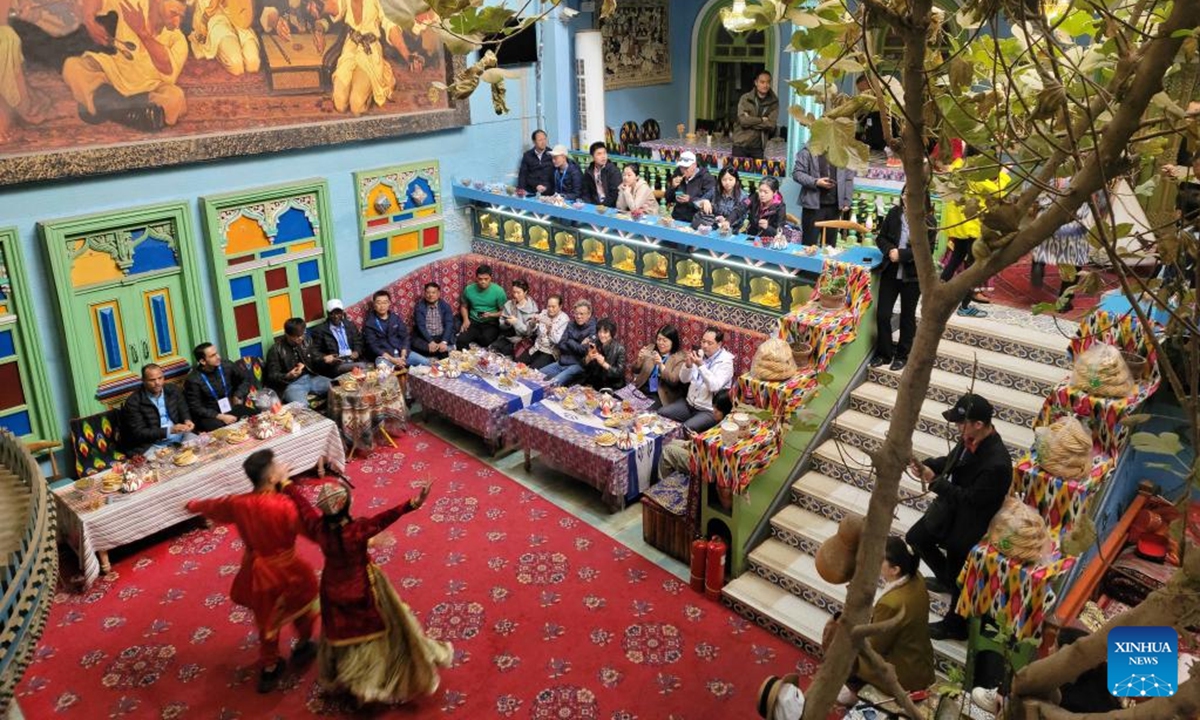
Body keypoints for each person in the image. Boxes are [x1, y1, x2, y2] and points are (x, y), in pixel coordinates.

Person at [280, 479, 452, 705]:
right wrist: (413, 503)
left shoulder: (318, 527)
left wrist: (287, 485)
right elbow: (383, 519)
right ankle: (375, 678)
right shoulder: (357, 530)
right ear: (346, 506)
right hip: (363, 587)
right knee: (383, 628)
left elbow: (303, 508)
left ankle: (351, 676)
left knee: (343, 633)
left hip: (332, 588)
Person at [185, 450, 320, 694]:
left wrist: (193, 505)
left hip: (257, 574)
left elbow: (214, 506)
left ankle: (270, 667)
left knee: (267, 620)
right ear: (271, 478)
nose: (282, 467)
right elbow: (313, 530)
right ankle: (303, 644)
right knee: (303, 607)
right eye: (278, 466)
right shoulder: (286, 506)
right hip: (288, 570)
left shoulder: (239, 503)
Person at [905, 393, 1012, 640]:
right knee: (917, 537)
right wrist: (930, 464)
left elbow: (971, 500)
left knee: (959, 572)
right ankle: (946, 579)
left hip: (973, 522)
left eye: (961, 423)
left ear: (978, 424)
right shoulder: (968, 438)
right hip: (952, 510)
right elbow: (953, 461)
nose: (957, 428)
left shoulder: (997, 464)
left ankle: (956, 624)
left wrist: (935, 481)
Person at [833, 537, 936, 706]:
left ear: (895, 569)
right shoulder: (916, 577)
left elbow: (875, 647)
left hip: (902, 673)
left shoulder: (890, 603)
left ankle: (856, 694)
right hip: (920, 661)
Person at [61, 0, 189, 130]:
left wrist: (143, 34)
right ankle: (134, 114)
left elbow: (168, 71)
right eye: (174, 13)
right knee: (72, 66)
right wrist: (89, 20)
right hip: (115, 76)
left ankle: (103, 105)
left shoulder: (178, 40)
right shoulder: (133, 6)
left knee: (175, 98)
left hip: (149, 89)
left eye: (181, 16)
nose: (177, 22)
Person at [970, 627, 1122, 714]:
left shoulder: (1071, 700)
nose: (1049, 649)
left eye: (1054, 645)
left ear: (1065, 656)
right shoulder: (1097, 682)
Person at [938, 146, 1010, 317]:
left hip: (958, 226)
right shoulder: (974, 172)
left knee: (955, 260)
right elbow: (996, 191)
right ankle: (964, 306)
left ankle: (939, 295)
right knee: (973, 268)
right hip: (972, 226)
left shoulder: (957, 166)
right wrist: (1004, 174)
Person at [871, 191, 933, 371]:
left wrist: (902, 255)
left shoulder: (928, 221)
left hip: (912, 277)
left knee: (907, 316)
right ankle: (884, 353)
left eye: (910, 192)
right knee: (883, 314)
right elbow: (880, 237)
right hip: (890, 272)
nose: (906, 196)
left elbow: (925, 251)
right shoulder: (894, 213)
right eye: (905, 193)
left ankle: (902, 355)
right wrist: (890, 250)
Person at [1031, 179, 1094, 311]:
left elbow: (1040, 200)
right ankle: (1064, 301)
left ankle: (1038, 263)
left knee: (1042, 245)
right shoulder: (1089, 180)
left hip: (1049, 222)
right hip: (1072, 226)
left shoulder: (1055, 177)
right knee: (1074, 262)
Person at [658, 327, 734, 433]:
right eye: (703, 341)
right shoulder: (699, 354)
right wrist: (687, 366)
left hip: (708, 410)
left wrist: (701, 366)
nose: (705, 346)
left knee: (685, 429)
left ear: (719, 344)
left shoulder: (726, 363)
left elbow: (714, 386)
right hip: (688, 404)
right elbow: (684, 380)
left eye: (709, 343)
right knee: (661, 414)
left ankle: (670, 447)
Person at [122, 363, 195, 454]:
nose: (157, 383)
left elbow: (183, 410)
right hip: (152, 444)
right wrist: (169, 430)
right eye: (152, 380)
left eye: (160, 378)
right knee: (161, 465)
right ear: (143, 381)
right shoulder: (133, 401)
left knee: (201, 449)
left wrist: (187, 420)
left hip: (180, 436)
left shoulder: (173, 390)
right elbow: (139, 432)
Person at [184, 342, 258, 432]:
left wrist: (238, 394)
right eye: (213, 356)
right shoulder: (193, 379)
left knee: (257, 417)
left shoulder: (227, 365)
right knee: (225, 431)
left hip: (230, 406)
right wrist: (221, 417)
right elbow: (196, 408)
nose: (218, 357)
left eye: (217, 353)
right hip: (210, 416)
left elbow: (245, 379)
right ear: (203, 361)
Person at [792, 144, 855, 246]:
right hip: (813, 207)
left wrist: (847, 199)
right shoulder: (808, 150)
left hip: (834, 206)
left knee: (830, 246)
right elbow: (797, 173)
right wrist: (816, 182)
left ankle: (827, 262)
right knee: (809, 244)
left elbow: (848, 177)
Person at [658, 390, 731, 477]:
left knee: (667, 450)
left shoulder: (726, 429)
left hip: (706, 463)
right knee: (671, 442)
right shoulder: (727, 420)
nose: (714, 411)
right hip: (703, 449)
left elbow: (712, 451)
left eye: (717, 410)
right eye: (714, 408)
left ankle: (664, 485)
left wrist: (697, 440)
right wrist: (697, 439)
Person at [265, 317, 331, 405]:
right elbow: (272, 375)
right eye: (297, 336)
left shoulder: (307, 340)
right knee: (302, 406)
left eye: (303, 334)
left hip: (312, 378)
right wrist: (287, 376)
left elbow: (315, 356)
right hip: (292, 385)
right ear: (287, 334)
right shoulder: (275, 350)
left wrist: (324, 358)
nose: (301, 338)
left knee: (338, 386)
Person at [187, 0, 259, 77]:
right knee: (236, 66)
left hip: (239, 18)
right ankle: (217, 49)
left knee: (253, 64)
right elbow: (187, 6)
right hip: (215, 19)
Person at [539, 298, 595, 386]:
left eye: (581, 314)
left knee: (553, 384)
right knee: (537, 375)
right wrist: (575, 343)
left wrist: (569, 341)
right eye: (576, 313)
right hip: (562, 362)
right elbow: (561, 344)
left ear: (589, 314)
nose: (578, 316)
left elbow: (584, 351)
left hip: (577, 365)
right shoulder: (570, 324)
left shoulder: (593, 329)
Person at [630, 324, 687, 409]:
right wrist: (640, 360)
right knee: (622, 400)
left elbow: (673, 380)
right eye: (659, 339)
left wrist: (660, 365)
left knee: (643, 411)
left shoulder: (680, 358)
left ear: (673, 342)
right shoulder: (651, 348)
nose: (660, 343)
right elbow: (635, 370)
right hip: (642, 388)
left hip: (660, 395)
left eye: (664, 341)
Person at [455, 265, 508, 350]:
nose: (483, 282)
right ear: (476, 278)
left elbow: (504, 312)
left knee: (485, 341)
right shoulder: (469, 289)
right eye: (480, 279)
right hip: (473, 320)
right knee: (461, 341)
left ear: (491, 278)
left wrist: (491, 315)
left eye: (486, 279)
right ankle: (467, 359)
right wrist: (465, 320)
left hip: (491, 322)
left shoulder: (499, 291)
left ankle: (477, 336)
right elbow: (464, 306)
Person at [311, 299, 368, 377]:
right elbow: (314, 352)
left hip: (352, 360)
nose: (336, 316)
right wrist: (325, 358)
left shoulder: (350, 325)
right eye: (332, 313)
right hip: (336, 364)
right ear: (328, 314)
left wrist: (357, 352)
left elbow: (358, 341)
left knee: (364, 372)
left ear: (342, 313)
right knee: (362, 366)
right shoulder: (320, 330)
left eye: (338, 313)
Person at [732, 69, 778, 161]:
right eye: (762, 82)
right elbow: (743, 121)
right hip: (740, 145)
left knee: (758, 175)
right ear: (756, 83)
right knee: (736, 174)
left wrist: (750, 120)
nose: (765, 85)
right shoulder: (745, 98)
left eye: (768, 82)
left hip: (758, 148)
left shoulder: (774, 102)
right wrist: (761, 120)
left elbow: (771, 125)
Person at [362, 290, 416, 367]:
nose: (382, 306)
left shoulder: (395, 318)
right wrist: (392, 359)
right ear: (374, 304)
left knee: (426, 362)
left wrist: (403, 355)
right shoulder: (369, 324)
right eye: (379, 303)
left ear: (389, 303)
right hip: (385, 357)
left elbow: (405, 337)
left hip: (401, 353)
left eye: (385, 302)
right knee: (383, 372)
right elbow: (373, 346)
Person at [488, 278, 538, 357]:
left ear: (525, 292)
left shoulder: (531, 309)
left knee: (504, 353)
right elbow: (501, 325)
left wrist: (516, 322)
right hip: (509, 336)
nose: (515, 295)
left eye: (518, 293)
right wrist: (507, 323)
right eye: (514, 292)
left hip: (522, 339)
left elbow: (528, 332)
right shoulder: (509, 304)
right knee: (493, 348)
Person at [518, 294, 569, 370]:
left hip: (550, 352)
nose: (550, 309)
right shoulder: (544, 313)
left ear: (560, 306)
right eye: (549, 306)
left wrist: (550, 330)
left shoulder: (564, 319)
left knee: (532, 370)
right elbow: (531, 332)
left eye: (553, 307)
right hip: (537, 348)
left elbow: (558, 341)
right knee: (517, 364)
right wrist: (533, 323)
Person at [665, 151, 716, 224]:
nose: (683, 170)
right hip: (677, 217)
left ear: (694, 165)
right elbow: (668, 198)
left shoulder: (706, 178)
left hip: (697, 220)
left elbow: (708, 201)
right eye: (681, 167)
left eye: (686, 167)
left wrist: (690, 200)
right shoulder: (677, 174)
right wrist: (672, 187)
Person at [411, 282, 456, 362]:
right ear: (424, 294)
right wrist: (430, 341)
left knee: (447, 345)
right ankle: (443, 349)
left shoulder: (445, 306)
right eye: (428, 292)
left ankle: (439, 349)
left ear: (438, 293)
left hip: (440, 336)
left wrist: (444, 341)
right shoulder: (419, 307)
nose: (430, 295)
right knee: (413, 343)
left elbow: (449, 324)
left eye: (433, 292)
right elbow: (420, 326)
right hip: (426, 337)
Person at [854, 75, 898, 154]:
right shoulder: (865, 108)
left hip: (885, 148)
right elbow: (861, 127)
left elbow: (894, 129)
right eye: (860, 91)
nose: (863, 94)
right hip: (870, 148)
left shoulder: (885, 104)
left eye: (864, 90)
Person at [580, 317, 626, 390]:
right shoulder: (594, 343)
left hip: (612, 386)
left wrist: (604, 364)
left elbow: (619, 373)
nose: (602, 335)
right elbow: (582, 365)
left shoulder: (620, 349)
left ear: (612, 333)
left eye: (605, 332)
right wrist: (588, 358)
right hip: (595, 383)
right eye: (600, 332)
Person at [697, 166, 748, 232]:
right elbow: (697, 203)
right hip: (713, 227)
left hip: (733, 230)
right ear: (720, 180)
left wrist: (727, 221)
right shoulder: (715, 191)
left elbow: (743, 217)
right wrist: (704, 201)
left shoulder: (743, 196)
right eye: (724, 180)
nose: (727, 183)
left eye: (730, 179)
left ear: (736, 180)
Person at [581, 141, 621, 207]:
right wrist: (589, 206)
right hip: (593, 205)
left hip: (609, 206)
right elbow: (586, 192)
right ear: (592, 157)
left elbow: (614, 194)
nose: (603, 156)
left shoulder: (614, 171)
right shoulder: (589, 171)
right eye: (599, 154)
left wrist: (602, 206)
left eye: (604, 153)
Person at [517, 129, 553, 195]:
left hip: (548, 191)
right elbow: (523, 174)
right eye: (540, 140)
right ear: (534, 142)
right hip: (532, 190)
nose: (543, 142)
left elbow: (555, 176)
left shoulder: (551, 154)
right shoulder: (527, 155)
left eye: (545, 139)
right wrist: (521, 190)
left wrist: (546, 187)